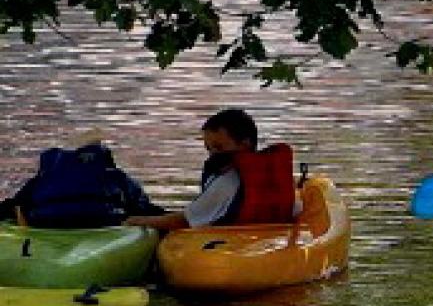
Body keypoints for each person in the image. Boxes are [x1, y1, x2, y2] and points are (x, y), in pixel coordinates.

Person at [125, 108, 297, 231]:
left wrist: (137, 221)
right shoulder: (270, 176)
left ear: (245, 144)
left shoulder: (226, 182)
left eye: (219, 147)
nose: (213, 155)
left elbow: (184, 221)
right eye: (209, 149)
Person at [0, 132, 164, 228]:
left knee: (17, 207)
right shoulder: (114, 176)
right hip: (102, 219)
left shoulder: (45, 176)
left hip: (46, 221)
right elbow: (144, 207)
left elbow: (16, 203)